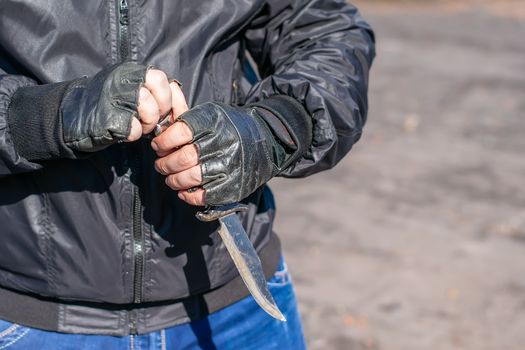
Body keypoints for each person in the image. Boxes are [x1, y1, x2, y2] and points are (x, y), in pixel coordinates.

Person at [0, 0, 375, 348]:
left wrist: (277, 128)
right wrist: (36, 119)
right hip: (30, 318)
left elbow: (326, 29)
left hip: (237, 306)